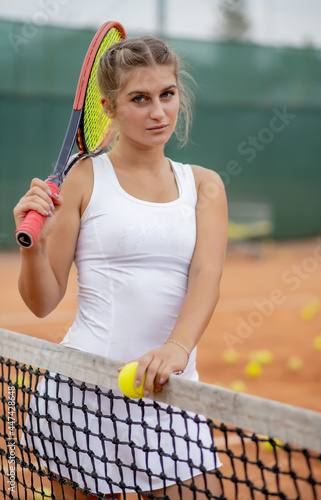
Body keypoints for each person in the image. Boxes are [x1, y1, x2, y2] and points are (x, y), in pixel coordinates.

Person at [14, 36, 228, 499]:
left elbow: (207, 275)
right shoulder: (82, 179)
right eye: (140, 99)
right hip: (83, 398)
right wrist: (33, 249)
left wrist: (177, 347)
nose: (158, 112)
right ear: (108, 108)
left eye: (167, 94)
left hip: (172, 393)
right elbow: (42, 302)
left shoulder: (206, 185)